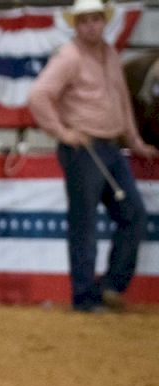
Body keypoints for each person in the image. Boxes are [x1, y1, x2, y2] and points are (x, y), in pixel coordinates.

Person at [27, 0, 158, 313]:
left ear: (103, 21)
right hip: (82, 149)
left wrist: (134, 140)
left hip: (110, 147)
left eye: (96, 19)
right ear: (76, 24)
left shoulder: (109, 54)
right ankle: (85, 297)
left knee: (133, 215)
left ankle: (110, 286)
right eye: (84, 20)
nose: (91, 25)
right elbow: (38, 96)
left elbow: (121, 99)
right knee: (85, 223)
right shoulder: (69, 56)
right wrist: (63, 132)